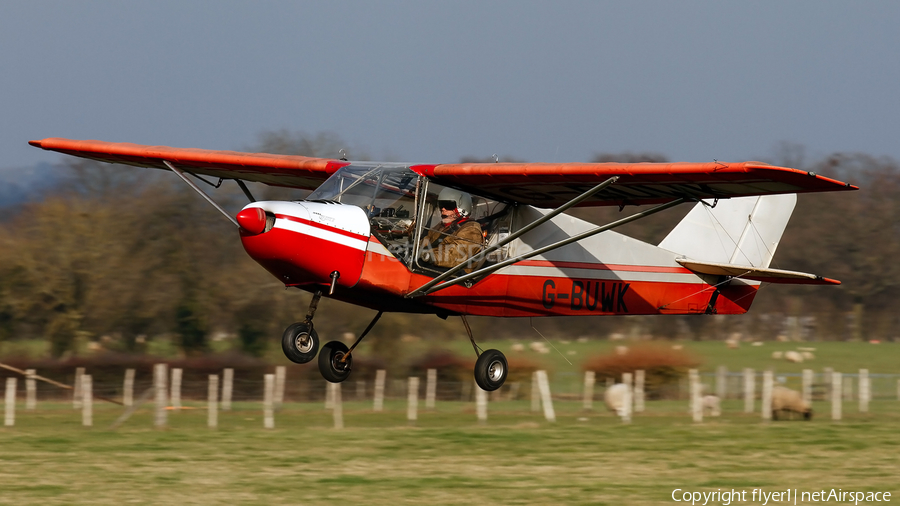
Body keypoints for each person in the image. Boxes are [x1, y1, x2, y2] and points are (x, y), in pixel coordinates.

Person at [419, 188, 483, 269]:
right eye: (441, 206)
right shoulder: (442, 226)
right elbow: (425, 242)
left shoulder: (472, 230)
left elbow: (455, 256)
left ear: (462, 209)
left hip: (451, 276)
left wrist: (428, 256)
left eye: (448, 206)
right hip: (431, 267)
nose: (443, 209)